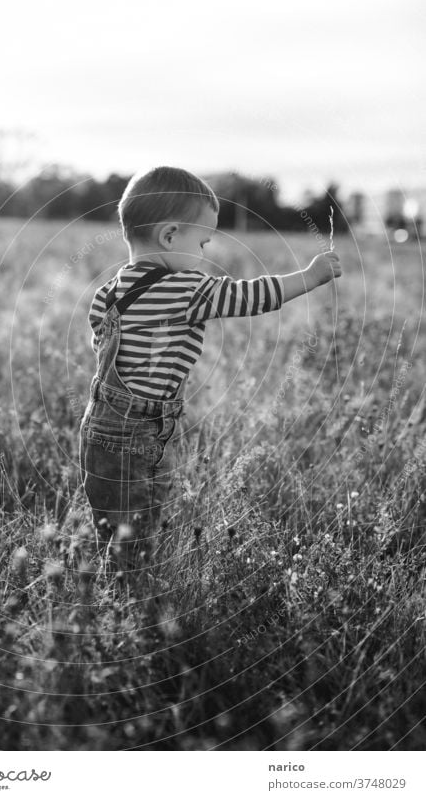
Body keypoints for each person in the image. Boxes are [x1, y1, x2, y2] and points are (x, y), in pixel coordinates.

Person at [79, 166, 341, 576]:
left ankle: (114, 584)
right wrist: (311, 276)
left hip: (99, 426)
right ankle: (132, 603)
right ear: (169, 236)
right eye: (201, 242)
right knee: (140, 528)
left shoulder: (108, 292)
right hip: (140, 430)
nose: (203, 254)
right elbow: (251, 296)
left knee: (114, 522)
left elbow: (100, 344)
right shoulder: (187, 288)